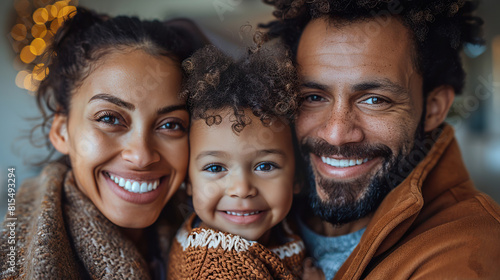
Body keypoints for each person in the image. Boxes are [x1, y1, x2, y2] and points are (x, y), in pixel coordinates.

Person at [261, 0, 500, 279]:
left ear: (433, 107)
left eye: (374, 100)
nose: (336, 134)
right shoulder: (244, 206)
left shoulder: (469, 250)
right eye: (313, 97)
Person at [0, 7, 207, 279]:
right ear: (62, 132)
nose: (142, 156)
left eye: (170, 125)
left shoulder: (220, 234)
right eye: (109, 118)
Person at [167, 45, 306, 279]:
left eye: (265, 166)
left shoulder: (280, 227)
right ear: (188, 181)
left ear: (297, 177)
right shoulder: (218, 268)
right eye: (215, 168)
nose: (242, 190)